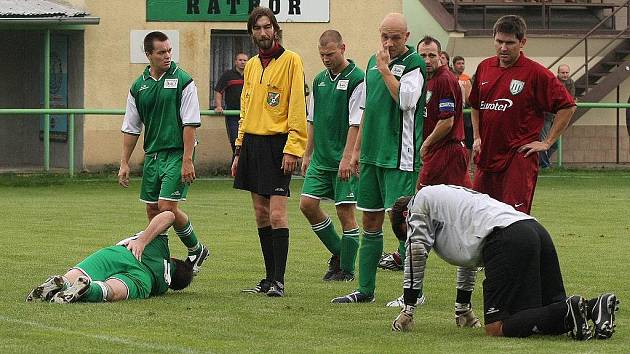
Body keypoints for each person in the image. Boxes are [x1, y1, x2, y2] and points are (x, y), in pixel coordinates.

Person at [389, 185, 619, 341]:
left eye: (405, 233)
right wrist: (463, 308)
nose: (411, 237)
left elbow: (416, 253)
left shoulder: (419, 204)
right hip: (535, 230)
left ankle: (570, 309)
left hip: (507, 238)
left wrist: (408, 309)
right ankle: (593, 306)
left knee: (496, 327)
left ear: (405, 217)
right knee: (546, 314)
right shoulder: (450, 201)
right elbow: (466, 258)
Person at [381, 36, 479, 319]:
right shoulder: (427, 80)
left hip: (445, 152)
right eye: (422, 55)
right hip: (444, 153)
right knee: (461, 211)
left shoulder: (445, 80)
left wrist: (426, 144)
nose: (426, 60)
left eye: (431, 55)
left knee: (418, 213)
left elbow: (447, 121)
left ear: (441, 57)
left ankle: (412, 292)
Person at [331, 13, 426, 304]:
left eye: (395, 37)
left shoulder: (415, 64)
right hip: (372, 156)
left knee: (403, 224)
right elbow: (366, 109)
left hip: (400, 156)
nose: (389, 42)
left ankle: (414, 294)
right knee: (369, 221)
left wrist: (386, 70)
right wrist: (357, 150)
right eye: (384, 36)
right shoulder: (373, 61)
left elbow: (407, 101)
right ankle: (366, 290)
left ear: (407, 37)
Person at [118, 31, 209, 275]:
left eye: (169, 51)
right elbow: (131, 127)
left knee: (166, 208)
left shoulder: (184, 81)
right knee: (153, 210)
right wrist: (124, 162)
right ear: (148, 55)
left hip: (178, 153)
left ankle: (162, 250)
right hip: (153, 156)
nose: (167, 56)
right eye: (161, 52)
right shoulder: (139, 86)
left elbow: (190, 124)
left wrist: (188, 160)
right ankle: (173, 259)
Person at [232, 7, 308, 297]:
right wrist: (239, 150)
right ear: (251, 33)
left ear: (276, 29)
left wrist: (293, 147)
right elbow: (245, 109)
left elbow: (297, 107)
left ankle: (279, 280)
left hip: (279, 144)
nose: (263, 33)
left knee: (277, 214)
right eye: (257, 28)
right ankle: (267, 278)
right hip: (252, 143)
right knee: (261, 214)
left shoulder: (291, 61)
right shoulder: (251, 65)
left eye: (267, 27)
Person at [469, 15, 576, 214]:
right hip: (486, 158)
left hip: (517, 159)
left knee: (512, 220)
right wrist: (477, 137)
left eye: (510, 43)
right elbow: (475, 104)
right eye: (499, 41)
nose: (503, 48)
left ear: (522, 42)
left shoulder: (535, 73)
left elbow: (568, 107)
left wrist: (547, 142)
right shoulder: (484, 67)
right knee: (479, 217)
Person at [300, 30, 364, 282]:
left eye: (330, 54)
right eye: (322, 54)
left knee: (345, 214)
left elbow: (356, 123)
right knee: (307, 205)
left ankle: (346, 271)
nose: (326, 59)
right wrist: (307, 154)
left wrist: (348, 158)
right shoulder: (319, 80)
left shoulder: (358, 79)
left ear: (343, 48)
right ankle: (341, 254)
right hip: (321, 160)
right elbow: (312, 119)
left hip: (343, 160)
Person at [26, 211, 194, 303]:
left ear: (174, 260)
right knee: (112, 290)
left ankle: (63, 282)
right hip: (143, 279)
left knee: (79, 273)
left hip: (121, 253)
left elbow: (169, 215)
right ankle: (89, 289)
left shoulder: (161, 247)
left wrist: (142, 241)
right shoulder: (163, 287)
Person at [539, 64, 576, 168]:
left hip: (559, 116)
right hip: (547, 115)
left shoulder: (570, 82)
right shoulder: (552, 81)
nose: (565, 75)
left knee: (554, 144)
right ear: (558, 73)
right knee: (544, 139)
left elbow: (570, 98)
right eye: (562, 73)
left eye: (566, 73)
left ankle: (540, 161)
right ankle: (544, 165)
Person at [214, 53, 249, 158]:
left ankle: (242, 167)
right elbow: (219, 91)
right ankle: (236, 164)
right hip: (232, 114)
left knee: (247, 140)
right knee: (235, 139)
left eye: (245, 60)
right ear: (235, 61)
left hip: (248, 113)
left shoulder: (251, 75)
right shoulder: (228, 75)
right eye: (240, 60)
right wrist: (219, 106)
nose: (242, 62)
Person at [452, 55, 474, 161]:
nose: (461, 66)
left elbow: (470, 99)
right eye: (459, 63)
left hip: (466, 114)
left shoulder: (467, 78)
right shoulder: (450, 77)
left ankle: (467, 163)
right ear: (453, 65)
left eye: (462, 63)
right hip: (454, 113)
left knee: (469, 138)